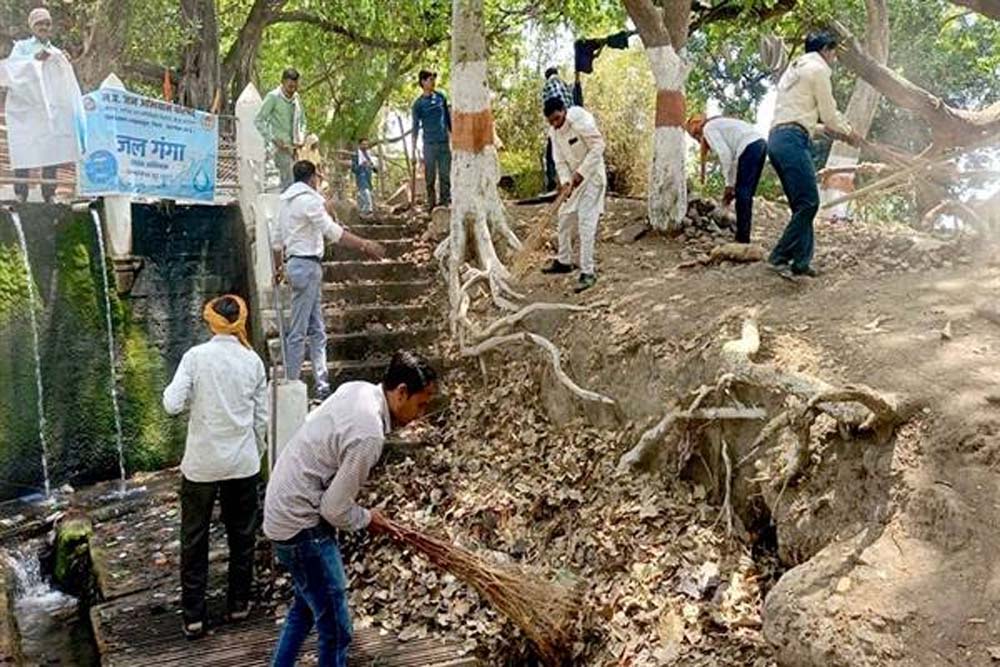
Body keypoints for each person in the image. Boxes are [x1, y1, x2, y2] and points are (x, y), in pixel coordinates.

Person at [263, 351, 438, 667]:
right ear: (401, 392)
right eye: (421, 404)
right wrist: (369, 519)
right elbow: (334, 509)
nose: (420, 414)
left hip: (281, 508)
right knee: (336, 629)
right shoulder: (369, 435)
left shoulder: (358, 389)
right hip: (301, 524)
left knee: (305, 608)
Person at [162, 295, 268, 640]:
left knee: (195, 539)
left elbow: (172, 405)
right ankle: (238, 604)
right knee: (242, 535)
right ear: (241, 320)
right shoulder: (252, 361)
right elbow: (261, 418)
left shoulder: (195, 357)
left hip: (202, 465)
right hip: (242, 463)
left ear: (211, 321)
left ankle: (194, 616)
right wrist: (256, 452)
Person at [271, 160, 385, 399]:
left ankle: (322, 386)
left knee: (317, 329)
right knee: (299, 330)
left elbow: (277, 241)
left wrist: (278, 267)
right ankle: (292, 384)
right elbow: (333, 232)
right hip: (307, 266)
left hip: (297, 265)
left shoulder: (285, 203)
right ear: (312, 178)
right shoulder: (308, 200)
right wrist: (365, 245)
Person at [767, 31, 861, 279]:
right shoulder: (819, 69)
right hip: (793, 140)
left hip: (777, 139)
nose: (834, 59)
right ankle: (778, 257)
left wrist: (834, 133)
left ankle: (801, 262)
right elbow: (829, 116)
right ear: (825, 50)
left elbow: (800, 117)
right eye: (834, 53)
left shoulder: (794, 70)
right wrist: (849, 131)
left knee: (802, 205)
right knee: (810, 203)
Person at [542, 97, 607, 293]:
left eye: (557, 118)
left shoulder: (579, 119)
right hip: (573, 180)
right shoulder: (554, 133)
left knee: (586, 223)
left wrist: (582, 173)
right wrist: (565, 182)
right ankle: (564, 261)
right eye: (551, 121)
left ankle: (588, 272)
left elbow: (599, 146)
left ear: (564, 110)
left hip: (592, 177)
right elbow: (560, 161)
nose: (556, 124)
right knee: (564, 217)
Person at [685, 114, 768, 244]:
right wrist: (731, 184)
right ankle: (744, 236)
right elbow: (734, 161)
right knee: (746, 193)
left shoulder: (708, 128)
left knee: (742, 194)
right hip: (760, 144)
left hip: (748, 146)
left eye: (696, 136)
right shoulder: (719, 124)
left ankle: (742, 239)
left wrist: (729, 185)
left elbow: (725, 155)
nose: (698, 140)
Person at [8, 8, 62, 202]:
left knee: (51, 150)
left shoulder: (56, 52)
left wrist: (64, 63)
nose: (44, 27)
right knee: (24, 147)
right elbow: (12, 70)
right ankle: (21, 193)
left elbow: (61, 80)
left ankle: (49, 193)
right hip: (27, 107)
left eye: (47, 23)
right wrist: (34, 59)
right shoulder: (21, 48)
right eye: (40, 23)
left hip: (49, 109)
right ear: (32, 26)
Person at [255, 68, 307, 192]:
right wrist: (273, 139)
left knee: (295, 183)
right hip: (278, 148)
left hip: (293, 148)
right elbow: (258, 120)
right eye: (290, 87)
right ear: (283, 82)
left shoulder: (296, 98)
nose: (292, 90)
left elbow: (303, 121)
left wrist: (301, 136)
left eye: (295, 87)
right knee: (288, 183)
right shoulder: (273, 97)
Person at [411, 70, 452, 210]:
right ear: (423, 82)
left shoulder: (441, 97)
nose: (433, 82)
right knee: (430, 177)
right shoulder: (418, 104)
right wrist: (413, 152)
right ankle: (431, 205)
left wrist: (453, 137)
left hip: (443, 143)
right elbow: (415, 128)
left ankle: (445, 203)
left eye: (434, 79)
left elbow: (448, 120)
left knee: (445, 175)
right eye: (430, 79)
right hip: (429, 145)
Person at [541, 67, 575, 192]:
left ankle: (553, 185)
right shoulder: (565, 85)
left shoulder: (550, 84)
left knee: (552, 155)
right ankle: (569, 182)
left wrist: (553, 123)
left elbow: (551, 104)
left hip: (559, 123)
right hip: (570, 122)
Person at [351, 138, 377, 218]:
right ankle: (367, 211)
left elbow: (372, 166)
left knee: (366, 196)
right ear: (359, 145)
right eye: (363, 144)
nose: (365, 146)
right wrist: (362, 165)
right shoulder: (356, 155)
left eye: (366, 144)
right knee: (366, 194)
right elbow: (353, 169)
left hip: (368, 178)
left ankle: (362, 215)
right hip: (361, 178)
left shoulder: (368, 155)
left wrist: (374, 168)